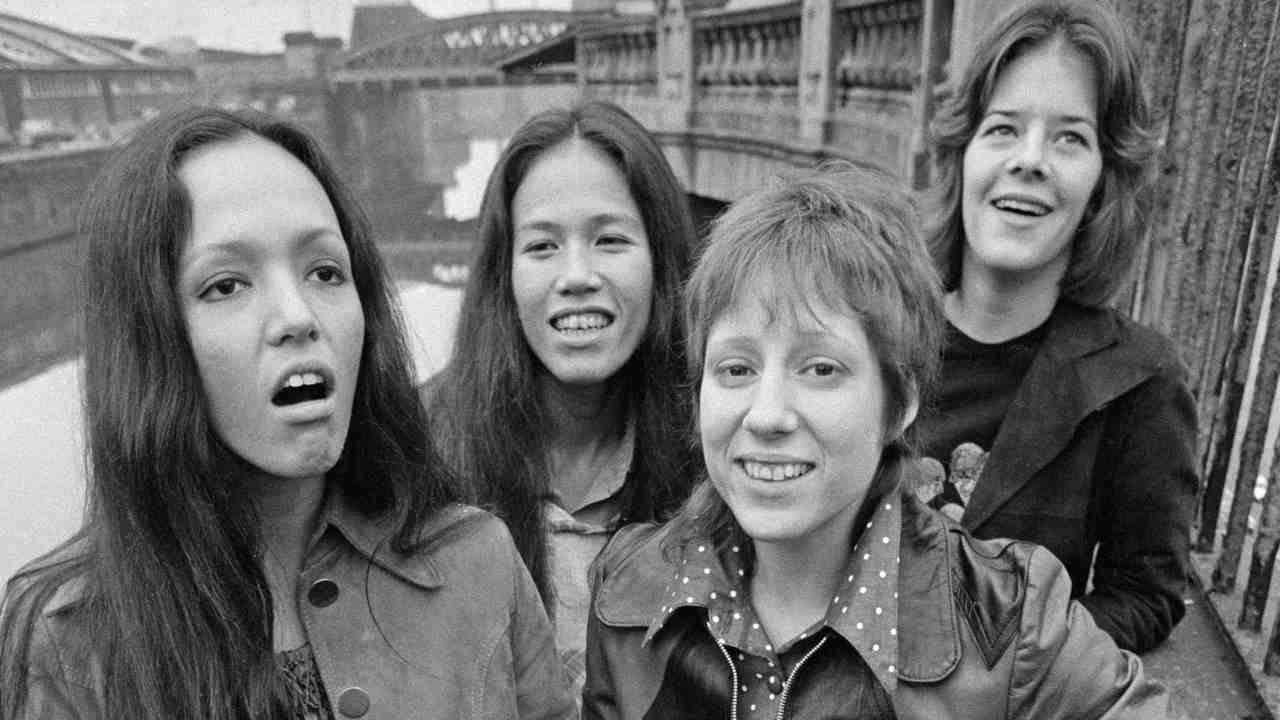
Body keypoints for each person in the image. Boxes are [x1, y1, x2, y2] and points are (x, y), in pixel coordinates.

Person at [0, 106, 573, 720]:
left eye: (326, 271)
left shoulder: (477, 562)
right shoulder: (67, 641)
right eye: (227, 285)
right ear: (150, 336)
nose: (298, 315)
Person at [583, 165, 1167, 719]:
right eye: (736, 369)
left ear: (899, 403)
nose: (766, 415)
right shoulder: (630, 594)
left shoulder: (1010, 626)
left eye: (820, 369)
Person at [916, 0, 1198, 654]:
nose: (1030, 159)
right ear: (963, 153)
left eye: (1070, 137)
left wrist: (1016, 666)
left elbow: (1148, 592)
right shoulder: (876, 330)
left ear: (1104, 181)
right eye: (1003, 129)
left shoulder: (1140, 383)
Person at [423, 101, 697, 692]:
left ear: (661, 260)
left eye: (610, 239)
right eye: (542, 246)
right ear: (505, 273)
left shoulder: (718, 459)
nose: (576, 275)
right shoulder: (420, 456)